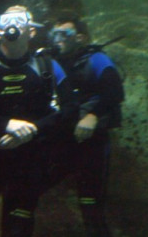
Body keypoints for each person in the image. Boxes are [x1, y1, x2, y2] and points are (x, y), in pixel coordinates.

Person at [0, 5, 75, 237]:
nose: (13, 24)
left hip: (28, 164)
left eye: (21, 19)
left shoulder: (48, 67)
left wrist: (34, 129)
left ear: (32, 31)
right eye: (7, 19)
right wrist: (4, 124)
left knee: (18, 230)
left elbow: (70, 110)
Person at [48, 12, 125, 237]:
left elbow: (115, 91)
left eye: (65, 33)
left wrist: (92, 115)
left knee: (91, 207)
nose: (58, 38)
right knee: (27, 191)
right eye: (54, 33)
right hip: (59, 140)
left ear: (80, 37)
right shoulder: (49, 62)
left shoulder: (96, 59)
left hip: (91, 143)